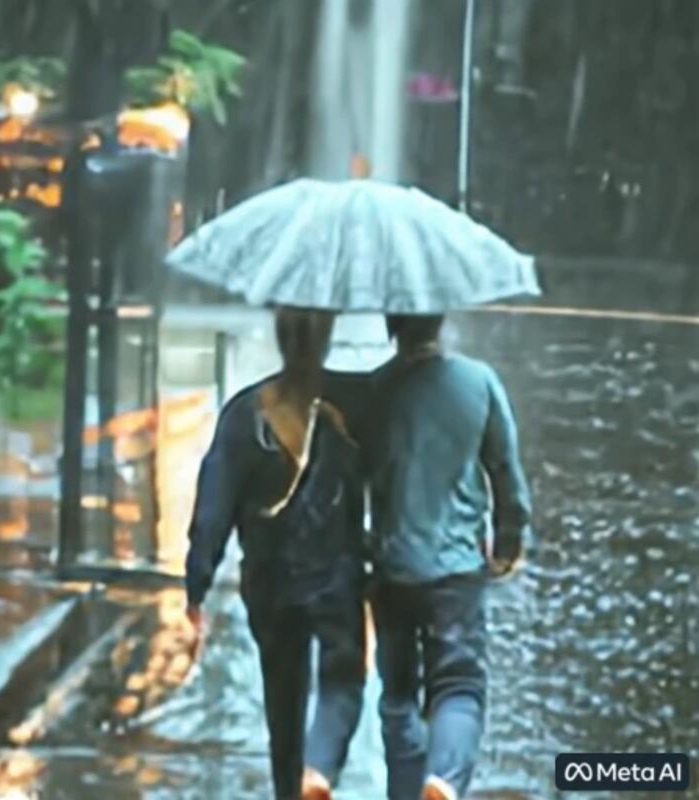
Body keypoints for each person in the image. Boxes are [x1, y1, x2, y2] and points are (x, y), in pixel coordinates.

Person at [185, 308, 366, 800]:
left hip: (269, 582)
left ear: (280, 338)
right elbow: (381, 484)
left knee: (282, 700)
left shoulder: (246, 413)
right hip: (336, 578)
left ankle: (290, 787)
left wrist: (197, 586)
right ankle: (320, 769)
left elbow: (214, 507)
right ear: (327, 338)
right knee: (342, 680)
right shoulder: (350, 407)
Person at [366, 314, 533, 800]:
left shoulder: (376, 391)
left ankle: (404, 792)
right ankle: (443, 781)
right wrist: (506, 544)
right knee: (458, 686)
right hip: (457, 570)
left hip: (393, 567)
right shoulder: (478, 382)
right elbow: (505, 472)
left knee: (398, 697)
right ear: (440, 319)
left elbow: (352, 483)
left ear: (391, 323)